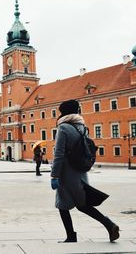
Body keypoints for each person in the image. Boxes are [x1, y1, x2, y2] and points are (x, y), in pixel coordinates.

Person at [51, 99, 119, 243]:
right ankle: (109, 224)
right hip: (80, 171)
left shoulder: (63, 128)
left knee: (62, 204)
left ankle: (71, 236)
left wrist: (54, 175)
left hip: (66, 174)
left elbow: (59, 154)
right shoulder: (82, 127)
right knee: (82, 204)